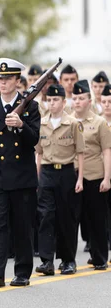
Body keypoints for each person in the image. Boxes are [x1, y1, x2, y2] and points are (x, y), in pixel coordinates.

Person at [0, 58, 40, 288]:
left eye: (7, 78)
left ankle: (22, 272)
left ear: (17, 81)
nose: (2, 83)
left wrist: (21, 126)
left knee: (23, 225)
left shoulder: (30, 106)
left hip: (22, 176)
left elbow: (34, 141)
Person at [34, 83, 84, 276]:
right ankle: (47, 261)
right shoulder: (42, 123)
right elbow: (39, 153)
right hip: (46, 172)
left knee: (66, 217)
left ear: (64, 102)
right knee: (46, 216)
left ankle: (68, 259)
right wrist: (37, 177)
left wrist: (79, 178)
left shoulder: (72, 123)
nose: (52, 103)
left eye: (56, 100)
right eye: (49, 100)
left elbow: (80, 152)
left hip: (66, 173)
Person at [71, 80, 111, 270]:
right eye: (74, 98)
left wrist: (107, 178)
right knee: (71, 219)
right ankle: (68, 259)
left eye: (81, 98)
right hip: (72, 176)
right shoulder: (67, 120)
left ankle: (100, 257)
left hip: (94, 175)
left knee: (96, 219)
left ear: (89, 100)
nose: (77, 102)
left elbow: (106, 151)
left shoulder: (99, 122)